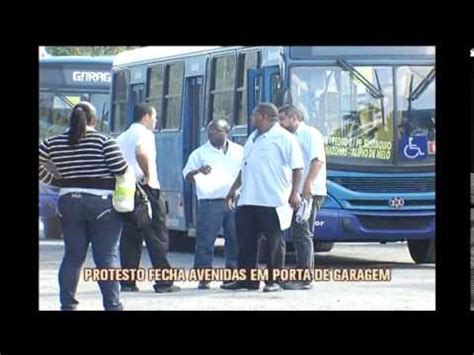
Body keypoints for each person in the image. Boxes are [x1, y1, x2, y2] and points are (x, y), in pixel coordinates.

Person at [39, 101, 128, 311]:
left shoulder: (54, 143)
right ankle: (113, 306)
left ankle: (68, 305)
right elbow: (121, 169)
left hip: (69, 202)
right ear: (94, 120)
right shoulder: (105, 141)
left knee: (72, 256)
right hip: (103, 205)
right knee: (106, 257)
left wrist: (55, 181)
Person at [222, 103, 304, 292]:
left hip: (273, 200)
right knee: (246, 242)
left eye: (254, 115)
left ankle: (273, 281)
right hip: (248, 199)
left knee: (275, 242)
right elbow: (245, 167)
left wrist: (295, 193)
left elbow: (297, 168)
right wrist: (233, 190)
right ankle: (247, 280)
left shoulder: (285, 138)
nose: (251, 119)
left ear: (264, 116)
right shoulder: (253, 137)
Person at [116, 103, 180, 293]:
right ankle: (164, 281)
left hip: (127, 190)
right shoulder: (144, 134)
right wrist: (148, 175)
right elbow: (141, 152)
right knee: (156, 235)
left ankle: (128, 282)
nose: (156, 121)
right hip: (146, 189)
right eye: (154, 117)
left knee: (130, 238)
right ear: (146, 117)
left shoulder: (122, 137)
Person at [183, 119, 243, 289]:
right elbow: (187, 175)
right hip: (210, 203)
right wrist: (198, 171)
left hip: (233, 201)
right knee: (205, 242)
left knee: (234, 241)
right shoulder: (200, 153)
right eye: (210, 131)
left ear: (227, 132)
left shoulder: (239, 151)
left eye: (216, 131)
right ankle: (204, 277)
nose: (212, 134)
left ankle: (232, 276)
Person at [278, 104, 327, 290]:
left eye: (283, 119)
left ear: (294, 118)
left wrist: (307, 184)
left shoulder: (310, 134)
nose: (280, 123)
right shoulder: (289, 137)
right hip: (296, 190)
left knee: (302, 233)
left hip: (309, 192)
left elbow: (317, 161)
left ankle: (305, 278)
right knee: (298, 233)